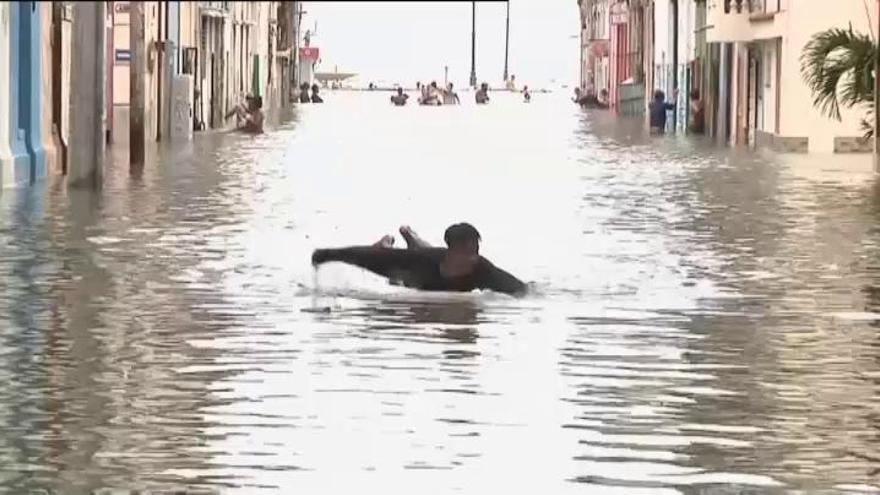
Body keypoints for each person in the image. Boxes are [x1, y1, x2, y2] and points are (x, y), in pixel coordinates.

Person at [311, 223, 527, 297]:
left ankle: (408, 235)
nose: (473, 258)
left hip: (425, 275)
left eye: (475, 252)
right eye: (467, 252)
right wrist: (328, 254)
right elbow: (363, 257)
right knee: (392, 266)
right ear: (452, 250)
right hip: (416, 273)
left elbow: (520, 289)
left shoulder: (483, 270)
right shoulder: (425, 259)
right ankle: (388, 242)